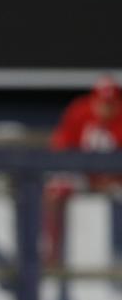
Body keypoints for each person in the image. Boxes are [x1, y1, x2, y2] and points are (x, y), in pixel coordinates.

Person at [44, 76, 122, 264]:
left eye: (112, 104)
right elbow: (60, 148)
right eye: (103, 103)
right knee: (55, 189)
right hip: (83, 176)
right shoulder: (79, 112)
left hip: (115, 181)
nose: (107, 108)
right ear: (94, 100)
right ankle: (51, 252)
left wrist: (111, 180)